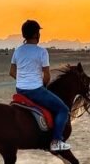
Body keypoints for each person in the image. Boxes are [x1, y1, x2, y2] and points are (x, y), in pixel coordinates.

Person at [9, 20, 71, 152]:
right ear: (36, 34)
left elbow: (12, 72)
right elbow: (47, 76)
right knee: (63, 109)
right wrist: (42, 86)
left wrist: (22, 81)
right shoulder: (42, 52)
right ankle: (57, 141)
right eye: (39, 32)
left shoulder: (17, 51)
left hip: (20, 90)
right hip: (35, 90)